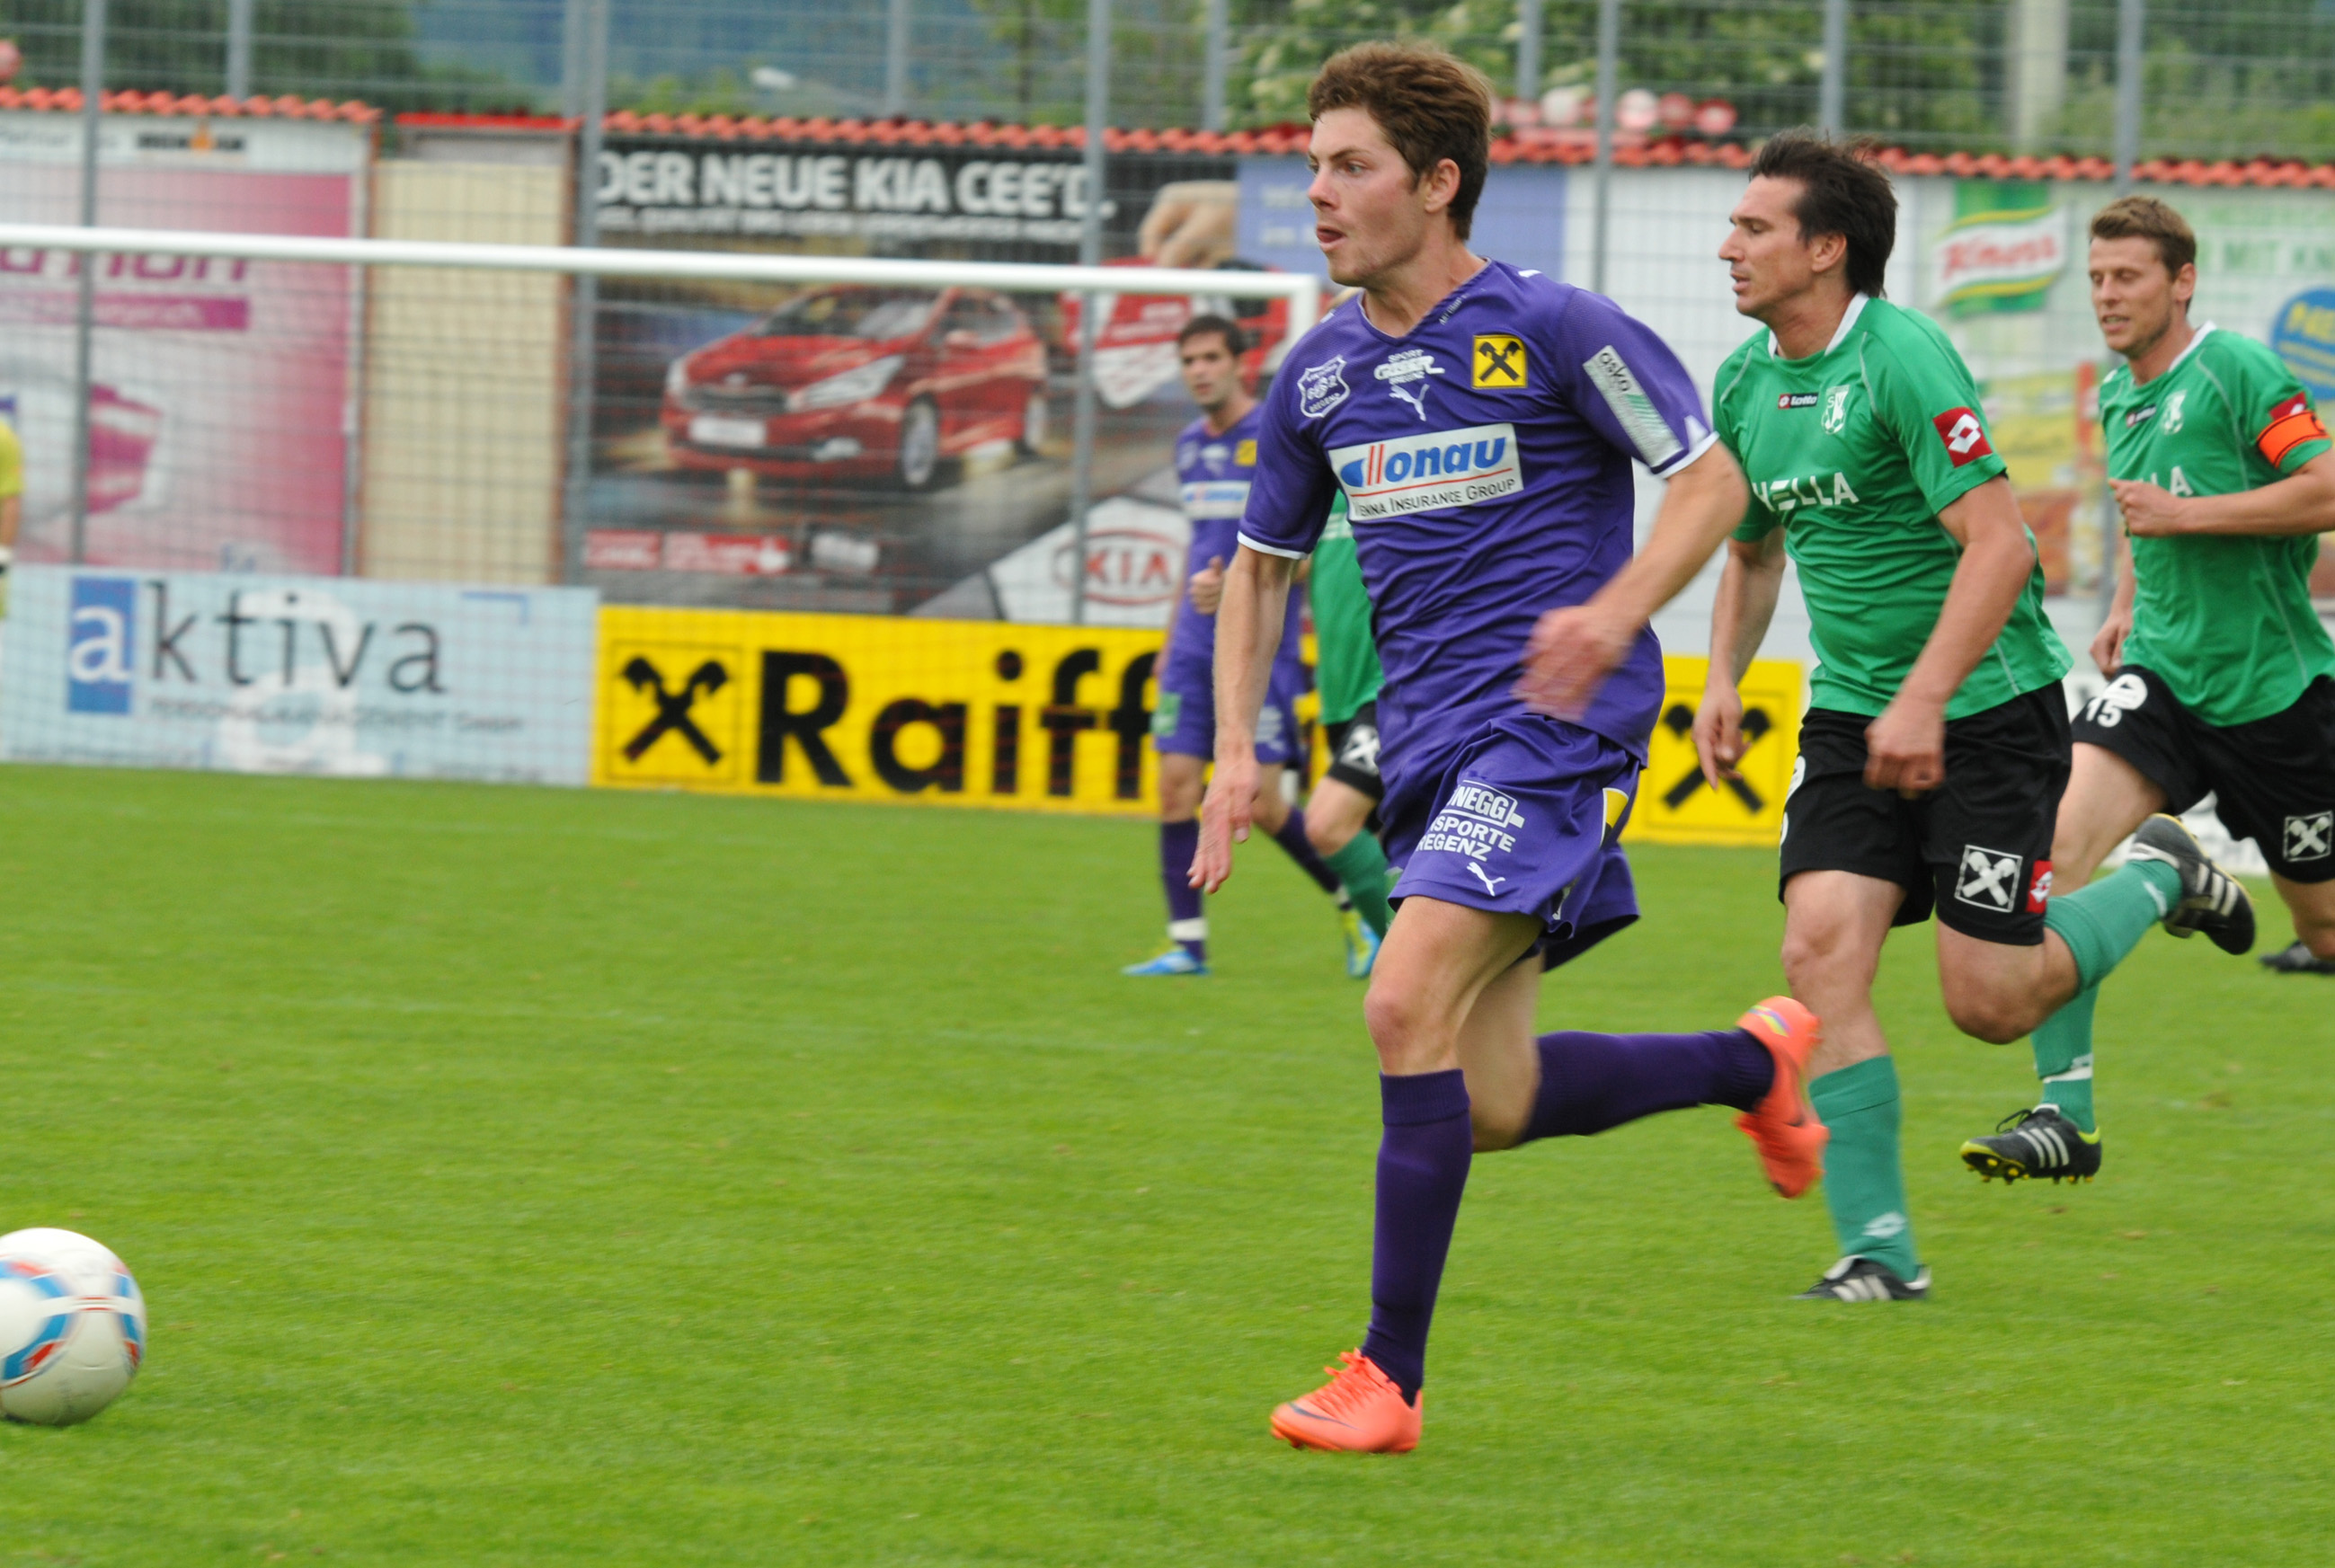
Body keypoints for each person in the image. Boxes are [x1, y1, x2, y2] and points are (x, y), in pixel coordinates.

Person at [1196, 42, 1827, 1454]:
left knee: (1396, 1001)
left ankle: (1387, 1380)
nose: (1318, 193)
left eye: (1349, 166)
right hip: (1428, 749)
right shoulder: (1318, 374)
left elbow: (1710, 481)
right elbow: (1259, 568)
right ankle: (1751, 1065)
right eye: (1312, 166)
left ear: (1437, 182)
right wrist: (1237, 748)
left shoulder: (1550, 326)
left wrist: (1610, 615)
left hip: (1554, 732)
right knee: (1490, 1100)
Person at [1694, 135, 2254, 1300]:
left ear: (1825, 249)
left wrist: (1924, 699)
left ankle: (2159, 873)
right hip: (1853, 717)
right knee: (1818, 953)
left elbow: (2000, 546)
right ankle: (1881, 1254)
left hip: (1988, 711)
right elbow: (1750, 552)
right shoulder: (1744, 382)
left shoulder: (1901, 358)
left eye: (1753, 227)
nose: (1727, 246)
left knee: (1988, 1003)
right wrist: (1721, 681)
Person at [1956, 198, 2335, 1176]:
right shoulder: (2121, 395)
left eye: (2127, 276)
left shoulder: (2237, 369)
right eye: (2096, 278)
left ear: (2182, 280)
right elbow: (2145, 514)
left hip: (2275, 697)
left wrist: (2187, 516)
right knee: (2049, 855)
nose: (2107, 295)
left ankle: (2187, 876)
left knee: (2325, 928)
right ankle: (2066, 1117)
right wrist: (2126, 601)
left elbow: (2326, 487)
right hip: (2161, 679)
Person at [1124, 314, 1373, 978]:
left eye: (1211, 357)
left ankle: (1354, 904)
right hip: (1191, 644)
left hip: (1258, 648)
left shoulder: (1276, 432)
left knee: (1261, 801)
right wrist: (1172, 634)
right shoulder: (1187, 446)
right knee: (1174, 787)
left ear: (1242, 363)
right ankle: (1187, 943)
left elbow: (1307, 550)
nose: (1199, 371)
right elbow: (1198, 549)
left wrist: (1238, 586)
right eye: (1189, 360)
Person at [1300, 489, 1397, 947]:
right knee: (1385, 843)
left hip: (1392, 686)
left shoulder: (1405, 470)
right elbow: (1287, 563)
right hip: (1339, 694)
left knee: (1328, 823)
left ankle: (1409, 960)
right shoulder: (1317, 476)